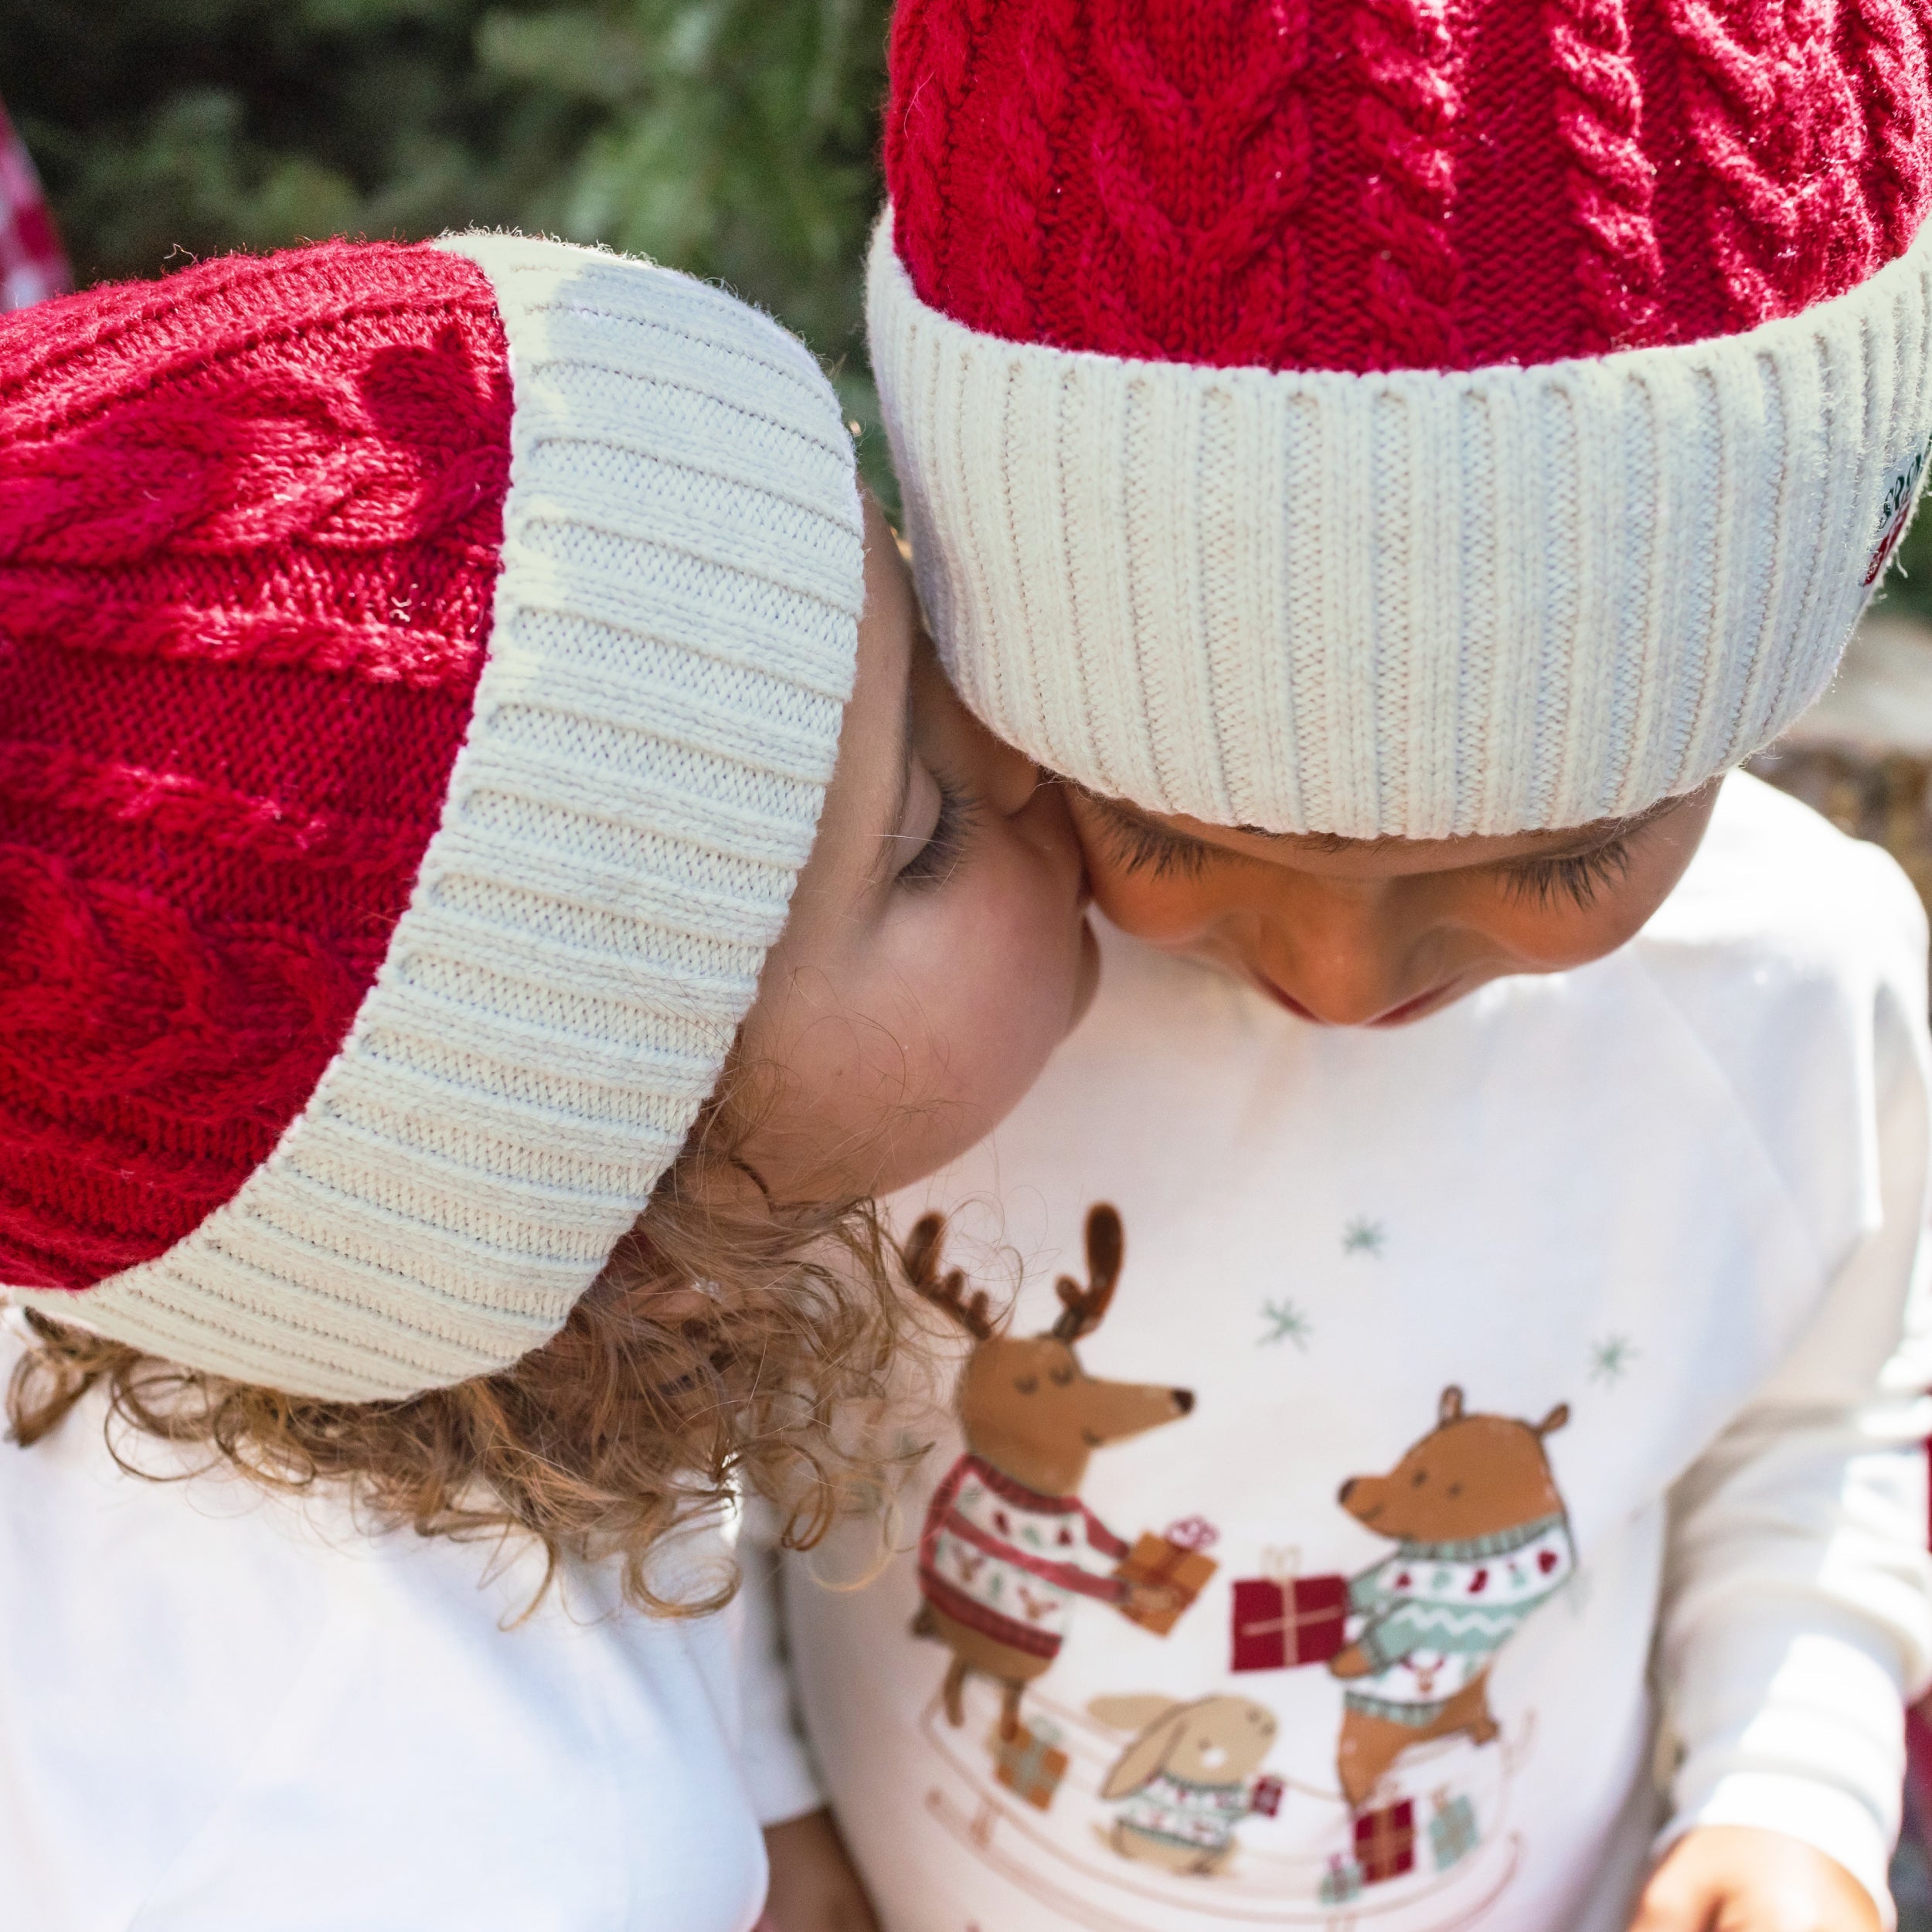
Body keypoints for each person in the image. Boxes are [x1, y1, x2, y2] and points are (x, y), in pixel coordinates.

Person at [777, 2, 1932, 1930]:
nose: (1338, 967)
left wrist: (1784, 1780)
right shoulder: (886, 997)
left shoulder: (1794, 994)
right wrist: (752, 1806)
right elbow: (683, 1427)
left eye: (1552, 853)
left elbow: (1814, 1416)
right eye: (1169, 834)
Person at [0, 231, 1094, 1930]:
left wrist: (778, 1787)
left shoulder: (254, 1249)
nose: (1020, 739)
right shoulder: (523, 1862)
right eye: (926, 832)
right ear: (625, 1262)